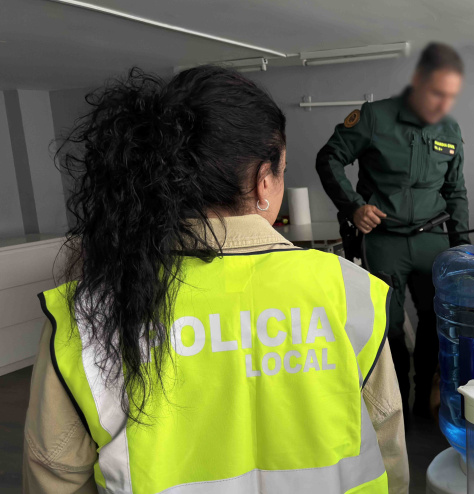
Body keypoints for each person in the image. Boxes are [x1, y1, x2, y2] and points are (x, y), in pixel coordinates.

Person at [23, 66, 408, 494]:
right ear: (265, 181)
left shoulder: (89, 313)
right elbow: (388, 444)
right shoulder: (350, 291)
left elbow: (53, 474)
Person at [316, 42, 469, 421]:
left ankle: (424, 405)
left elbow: (455, 191)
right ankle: (394, 406)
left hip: (432, 239)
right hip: (384, 239)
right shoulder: (373, 117)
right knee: (390, 329)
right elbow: (329, 157)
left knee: (436, 322)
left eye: (450, 96)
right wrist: (353, 207)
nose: (442, 103)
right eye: (436, 93)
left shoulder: (449, 128)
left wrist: (462, 248)